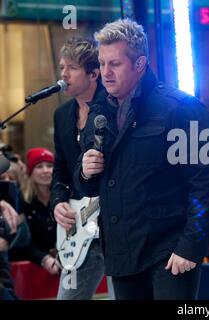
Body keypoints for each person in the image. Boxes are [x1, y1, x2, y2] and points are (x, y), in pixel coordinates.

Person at [73, 19, 209, 300]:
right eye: (102, 63)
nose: (105, 73)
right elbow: (87, 188)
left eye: (114, 64)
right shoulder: (97, 114)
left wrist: (191, 247)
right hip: (122, 256)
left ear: (139, 64)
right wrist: (84, 172)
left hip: (170, 254)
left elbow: (208, 184)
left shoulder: (181, 108)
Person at [50, 37, 114, 300]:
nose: (63, 74)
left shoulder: (113, 106)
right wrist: (58, 201)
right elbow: (60, 169)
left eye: (72, 68)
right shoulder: (62, 114)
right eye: (62, 67)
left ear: (93, 74)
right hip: (80, 226)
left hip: (113, 222)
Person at [11, 148, 61, 275]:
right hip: (32, 270)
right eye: (39, 166)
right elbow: (21, 242)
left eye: (49, 166)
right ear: (30, 172)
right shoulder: (21, 201)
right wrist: (44, 259)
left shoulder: (64, 199)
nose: (45, 170)